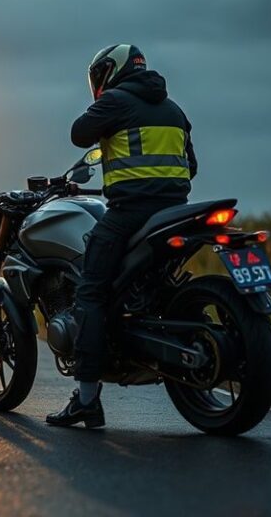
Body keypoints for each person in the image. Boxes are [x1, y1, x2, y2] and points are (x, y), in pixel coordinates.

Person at [46, 45, 197, 427]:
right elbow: (190, 166)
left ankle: (86, 400)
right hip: (174, 212)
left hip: (130, 213)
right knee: (159, 285)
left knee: (91, 290)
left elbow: (79, 134)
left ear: (108, 72)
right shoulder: (174, 109)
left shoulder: (115, 100)